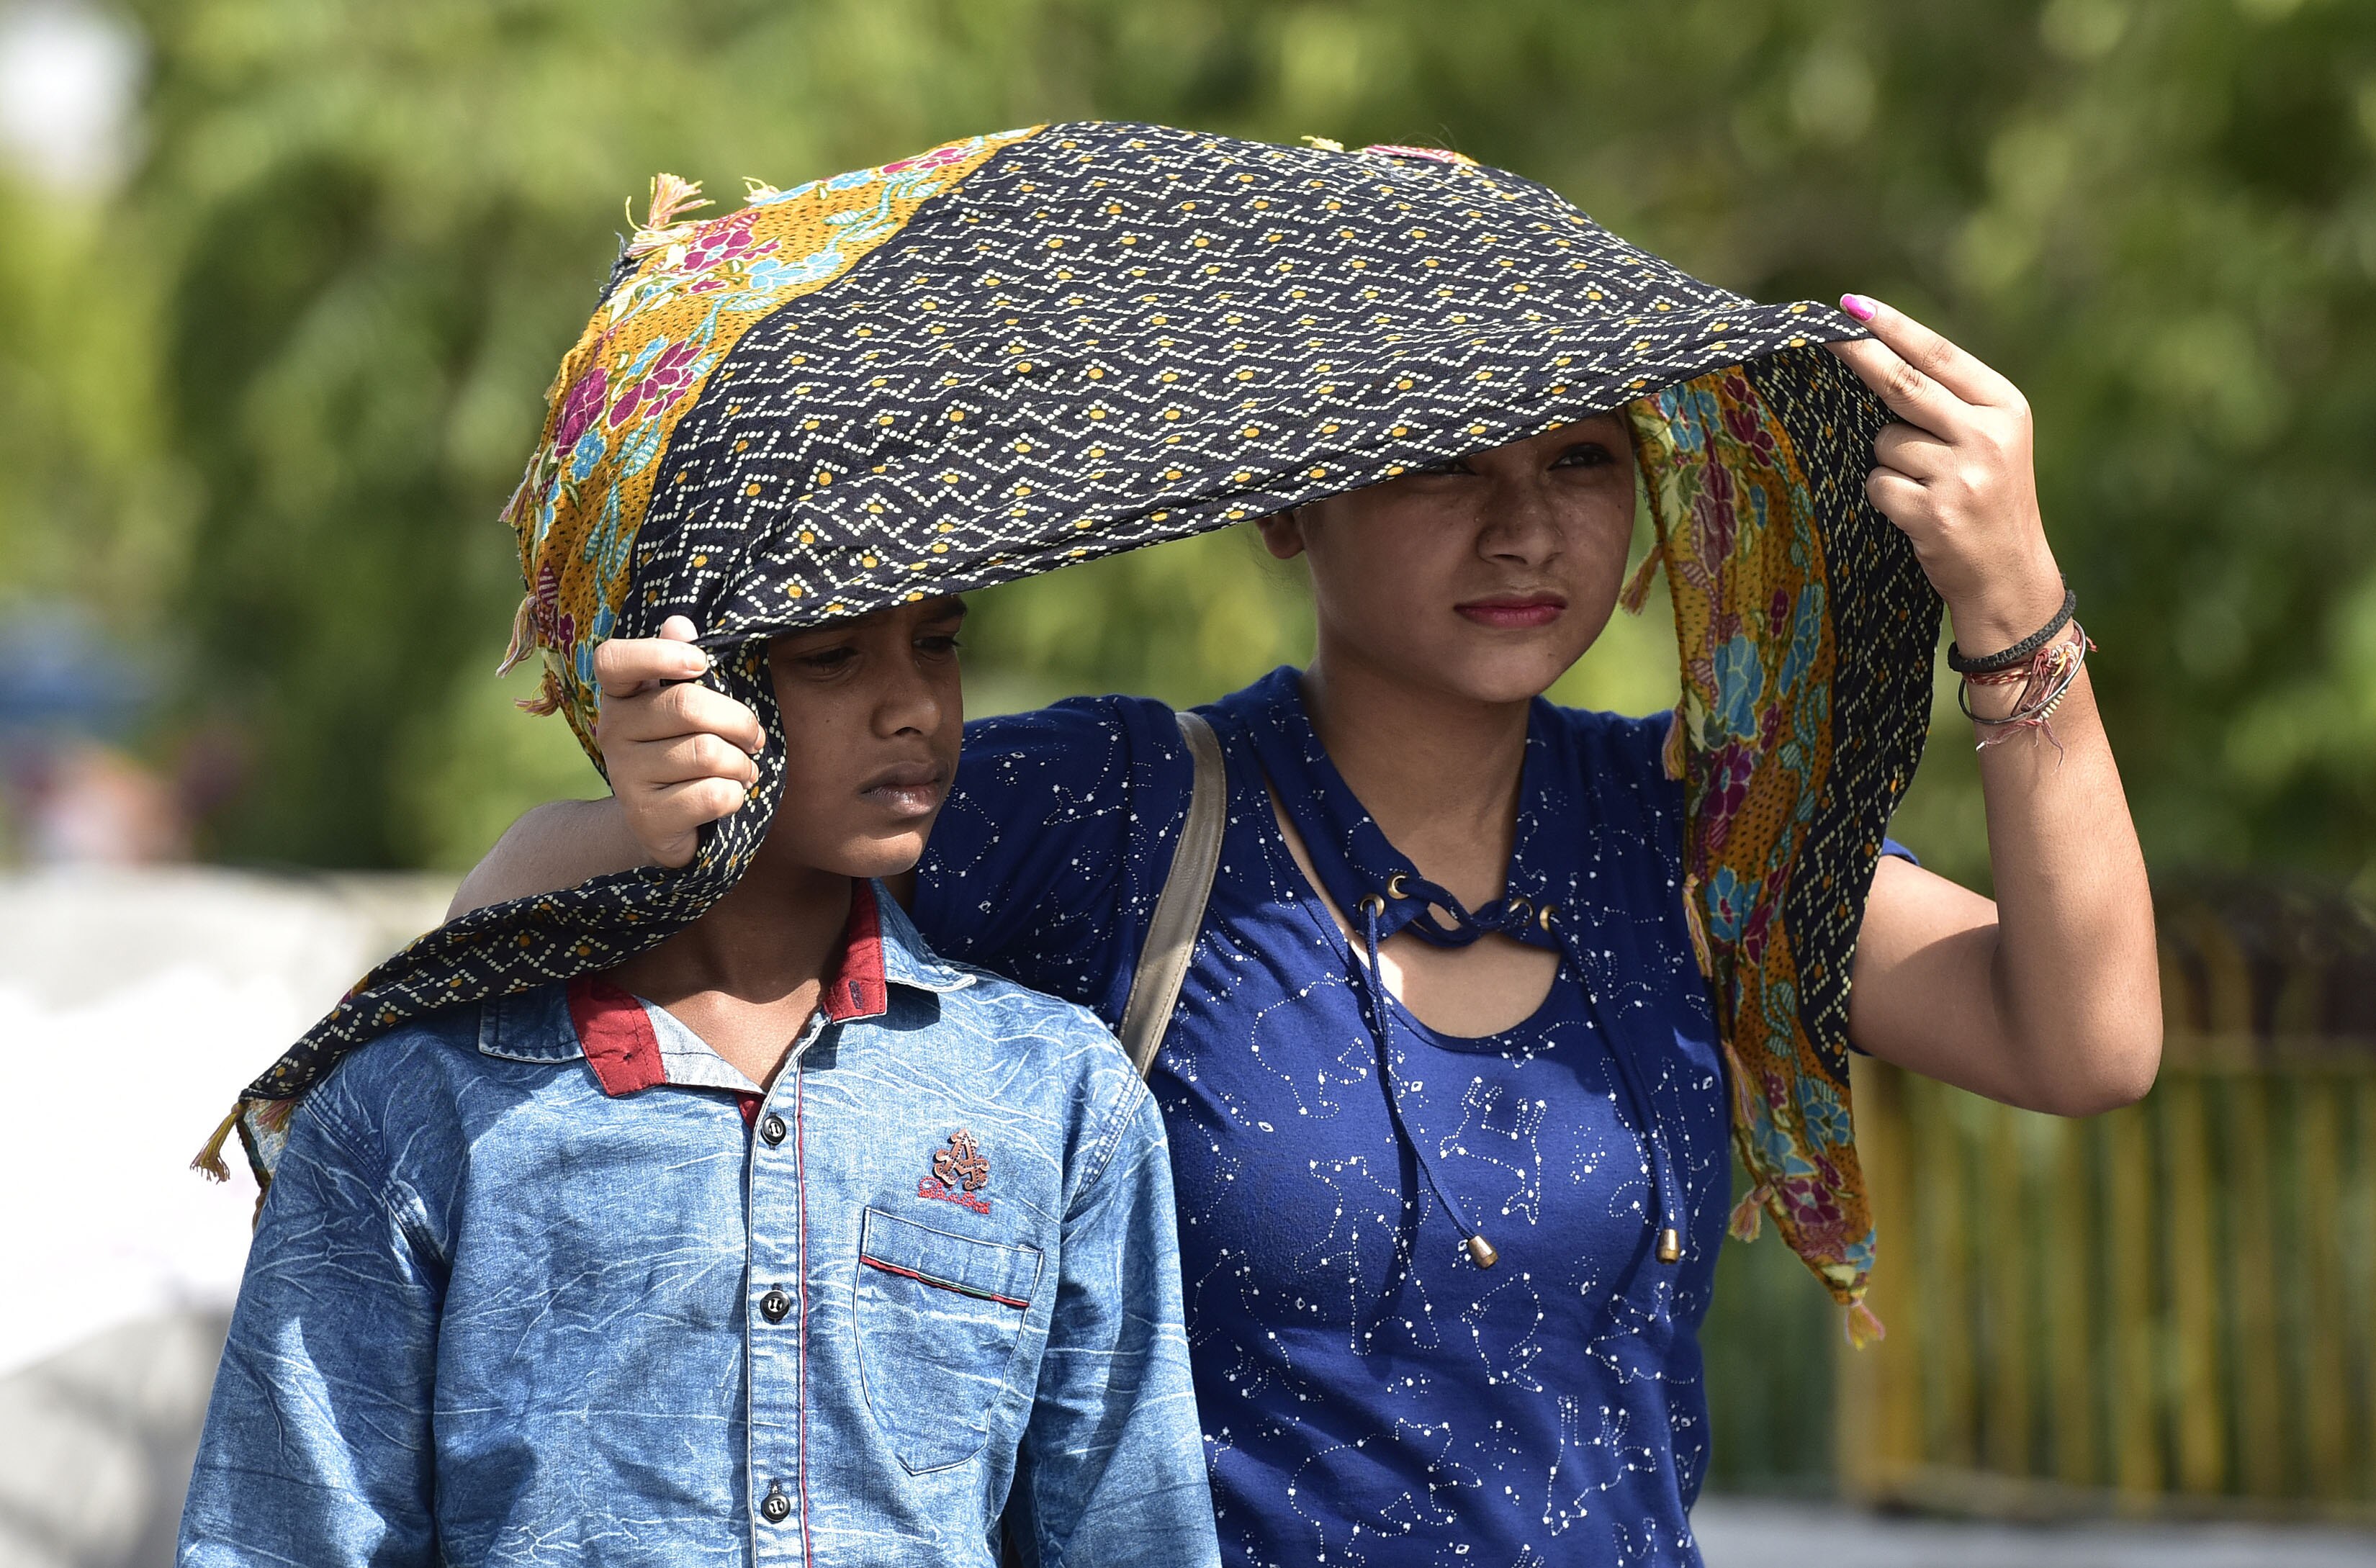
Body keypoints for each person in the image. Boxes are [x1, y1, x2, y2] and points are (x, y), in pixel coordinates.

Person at [452, 292, 2161, 1565]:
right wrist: (652, 815)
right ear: (1288, 500)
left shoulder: (1686, 833)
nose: (1525, 525)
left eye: (1580, 459)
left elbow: (2082, 1039)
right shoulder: (1119, 812)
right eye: (1442, 458)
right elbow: (514, 938)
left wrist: (2014, 615)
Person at [179, 595, 1222, 1566]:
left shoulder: (1055, 1093)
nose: (914, 705)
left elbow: (1135, 1530)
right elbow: (284, 1534)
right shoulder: (414, 1107)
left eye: (938, 643)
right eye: (832, 655)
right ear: (675, 682)